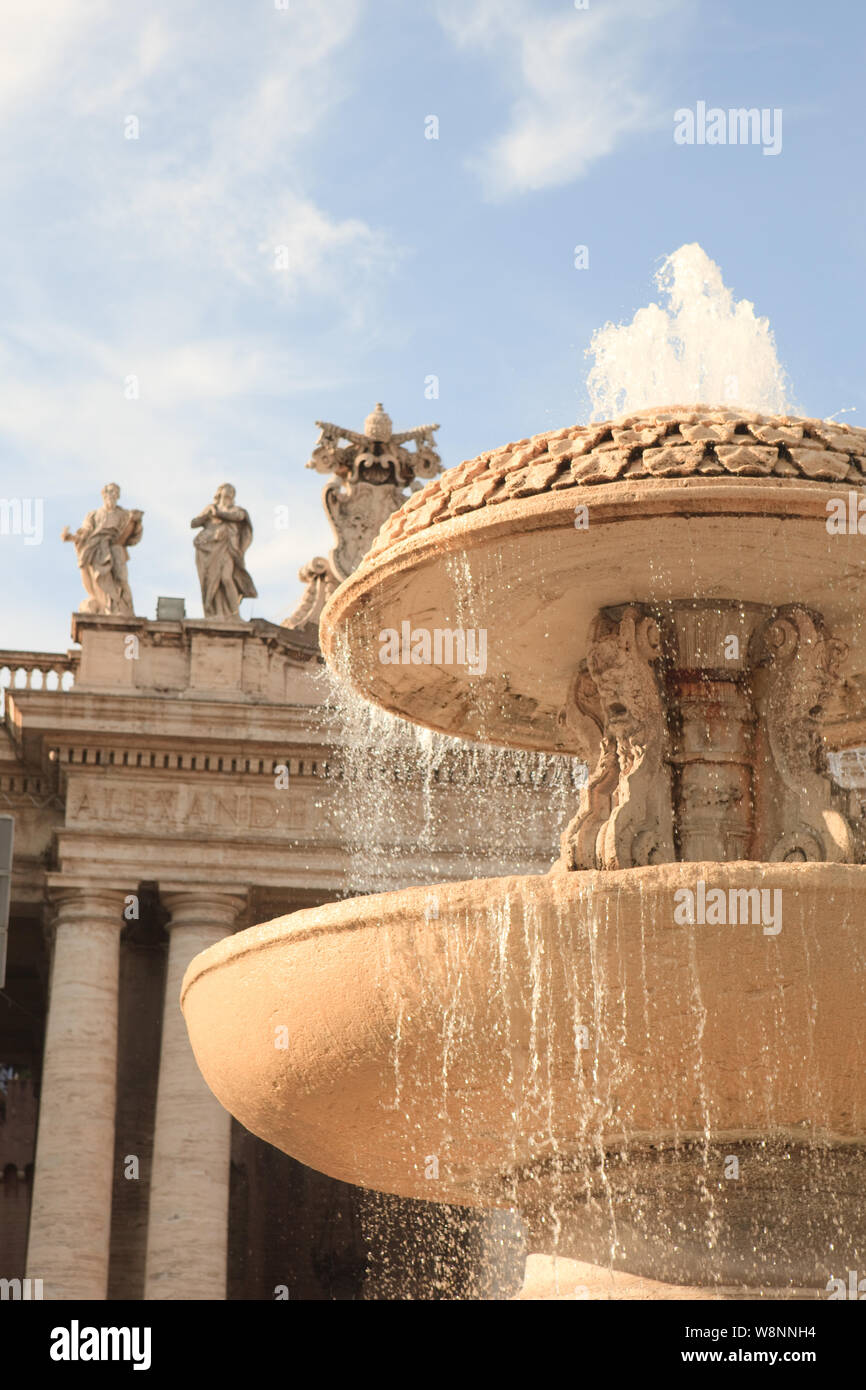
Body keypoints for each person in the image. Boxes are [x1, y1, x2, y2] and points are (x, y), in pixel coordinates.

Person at [61, 483, 143, 615]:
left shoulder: (123, 515)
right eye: (110, 492)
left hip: (116, 547)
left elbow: (133, 534)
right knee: (101, 578)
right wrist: (71, 537)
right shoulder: (93, 515)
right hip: (97, 549)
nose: (113, 495)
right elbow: (85, 533)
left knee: (121, 577)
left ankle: (124, 606)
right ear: (104, 495)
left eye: (116, 493)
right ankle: (108, 606)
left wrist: (137, 523)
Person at [191, 484, 257, 618]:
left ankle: (234, 614)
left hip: (228, 548)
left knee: (226, 577)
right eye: (227, 490)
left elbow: (239, 517)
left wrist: (218, 514)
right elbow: (193, 523)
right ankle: (216, 612)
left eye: (232, 491)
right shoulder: (210, 508)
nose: (229, 493)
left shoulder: (237, 510)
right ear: (219, 493)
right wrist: (206, 516)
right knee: (211, 580)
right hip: (209, 549)